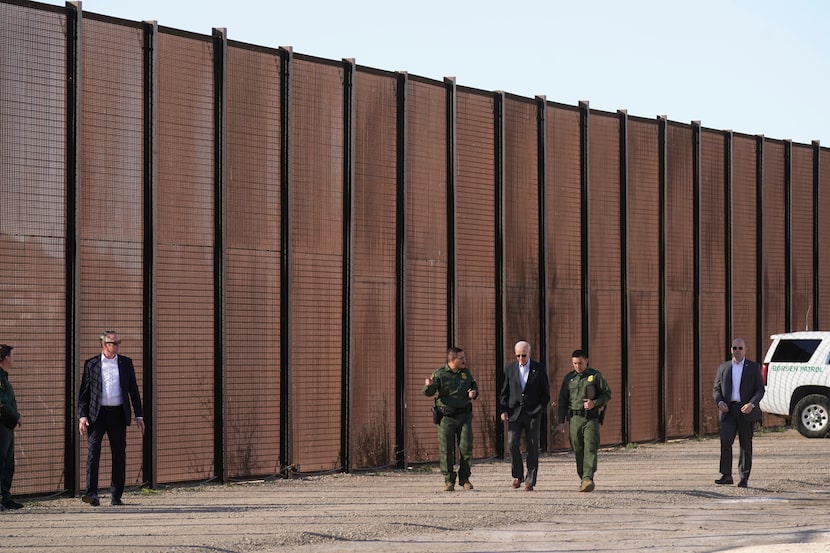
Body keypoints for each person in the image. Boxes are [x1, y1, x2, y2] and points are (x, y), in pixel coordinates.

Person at [78, 331, 145, 506]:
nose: (115, 346)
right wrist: (82, 416)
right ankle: (91, 493)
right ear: (103, 344)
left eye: (118, 343)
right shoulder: (91, 364)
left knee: (119, 455)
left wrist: (139, 415)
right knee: (93, 453)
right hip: (96, 415)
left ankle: (116, 495)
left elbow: (134, 391)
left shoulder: (125, 363)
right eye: (112, 343)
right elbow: (84, 393)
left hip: (117, 415)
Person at [423, 347, 479, 491]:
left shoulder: (465, 373)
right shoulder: (440, 374)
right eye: (461, 358)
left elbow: (473, 386)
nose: (464, 360)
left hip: (464, 415)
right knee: (446, 449)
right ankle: (449, 480)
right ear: (452, 360)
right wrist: (428, 386)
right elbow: (429, 392)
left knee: (466, 447)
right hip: (446, 417)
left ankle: (464, 478)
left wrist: (474, 393)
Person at [556, 349, 611, 492]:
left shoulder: (595, 376)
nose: (577, 366)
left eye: (580, 363)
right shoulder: (569, 378)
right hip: (574, 418)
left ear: (586, 360)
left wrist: (595, 403)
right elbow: (562, 401)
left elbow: (607, 394)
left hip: (590, 418)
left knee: (590, 447)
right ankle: (583, 477)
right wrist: (561, 422)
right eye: (574, 363)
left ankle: (588, 478)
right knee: (578, 449)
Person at [712, 337, 764, 488]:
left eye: (740, 348)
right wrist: (720, 402)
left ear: (745, 350)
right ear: (731, 350)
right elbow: (716, 389)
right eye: (734, 348)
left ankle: (744, 477)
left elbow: (760, 389)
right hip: (729, 410)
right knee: (726, 441)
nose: (737, 351)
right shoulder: (724, 367)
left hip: (746, 410)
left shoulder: (753, 367)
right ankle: (726, 474)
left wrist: (752, 404)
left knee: (745, 445)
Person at [499, 341, 550, 491]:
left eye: (523, 355)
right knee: (512, 442)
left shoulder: (539, 369)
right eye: (518, 355)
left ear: (529, 353)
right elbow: (504, 392)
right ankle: (518, 474)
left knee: (532, 446)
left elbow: (545, 393)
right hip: (515, 412)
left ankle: (530, 479)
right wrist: (503, 410)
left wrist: (540, 409)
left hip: (533, 413)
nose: (521, 358)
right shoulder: (509, 369)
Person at [0, 344, 23, 510]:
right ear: (6, 358)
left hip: (7, 426)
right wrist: (16, 415)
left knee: (8, 463)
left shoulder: (4, 377)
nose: (13, 359)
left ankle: (5, 497)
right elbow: (2, 403)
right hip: (2, 425)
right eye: (12, 356)